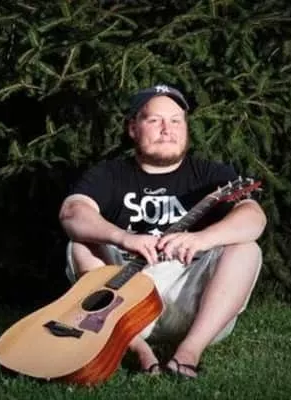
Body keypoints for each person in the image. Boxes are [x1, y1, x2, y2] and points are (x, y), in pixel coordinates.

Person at [58, 84, 266, 379]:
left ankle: (188, 354)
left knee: (246, 248)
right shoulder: (108, 174)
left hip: (194, 301)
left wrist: (201, 238)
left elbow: (254, 218)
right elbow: (72, 213)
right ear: (133, 128)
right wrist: (124, 238)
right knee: (80, 244)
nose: (167, 129)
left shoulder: (211, 174)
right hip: (124, 304)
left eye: (176, 120)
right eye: (154, 120)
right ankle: (139, 349)